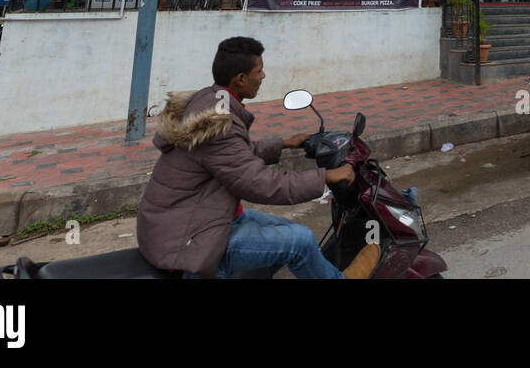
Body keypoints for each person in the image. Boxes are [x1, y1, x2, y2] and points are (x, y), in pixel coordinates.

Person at [135, 36, 381, 278]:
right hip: (188, 243)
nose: (263, 76)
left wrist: (283, 143)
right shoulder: (221, 124)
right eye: (259, 71)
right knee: (301, 240)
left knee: (290, 229)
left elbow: (232, 155)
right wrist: (325, 177)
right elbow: (260, 184)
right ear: (240, 79)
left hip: (192, 220)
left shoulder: (211, 99)